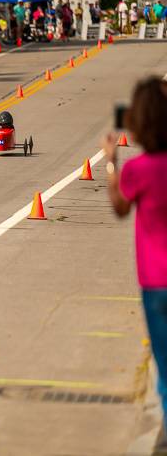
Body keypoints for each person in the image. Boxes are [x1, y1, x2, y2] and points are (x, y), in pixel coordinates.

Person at [104, 77, 167, 436]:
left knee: (165, 362)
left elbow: (120, 208)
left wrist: (112, 163)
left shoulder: (137, 170)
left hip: (157, 283)